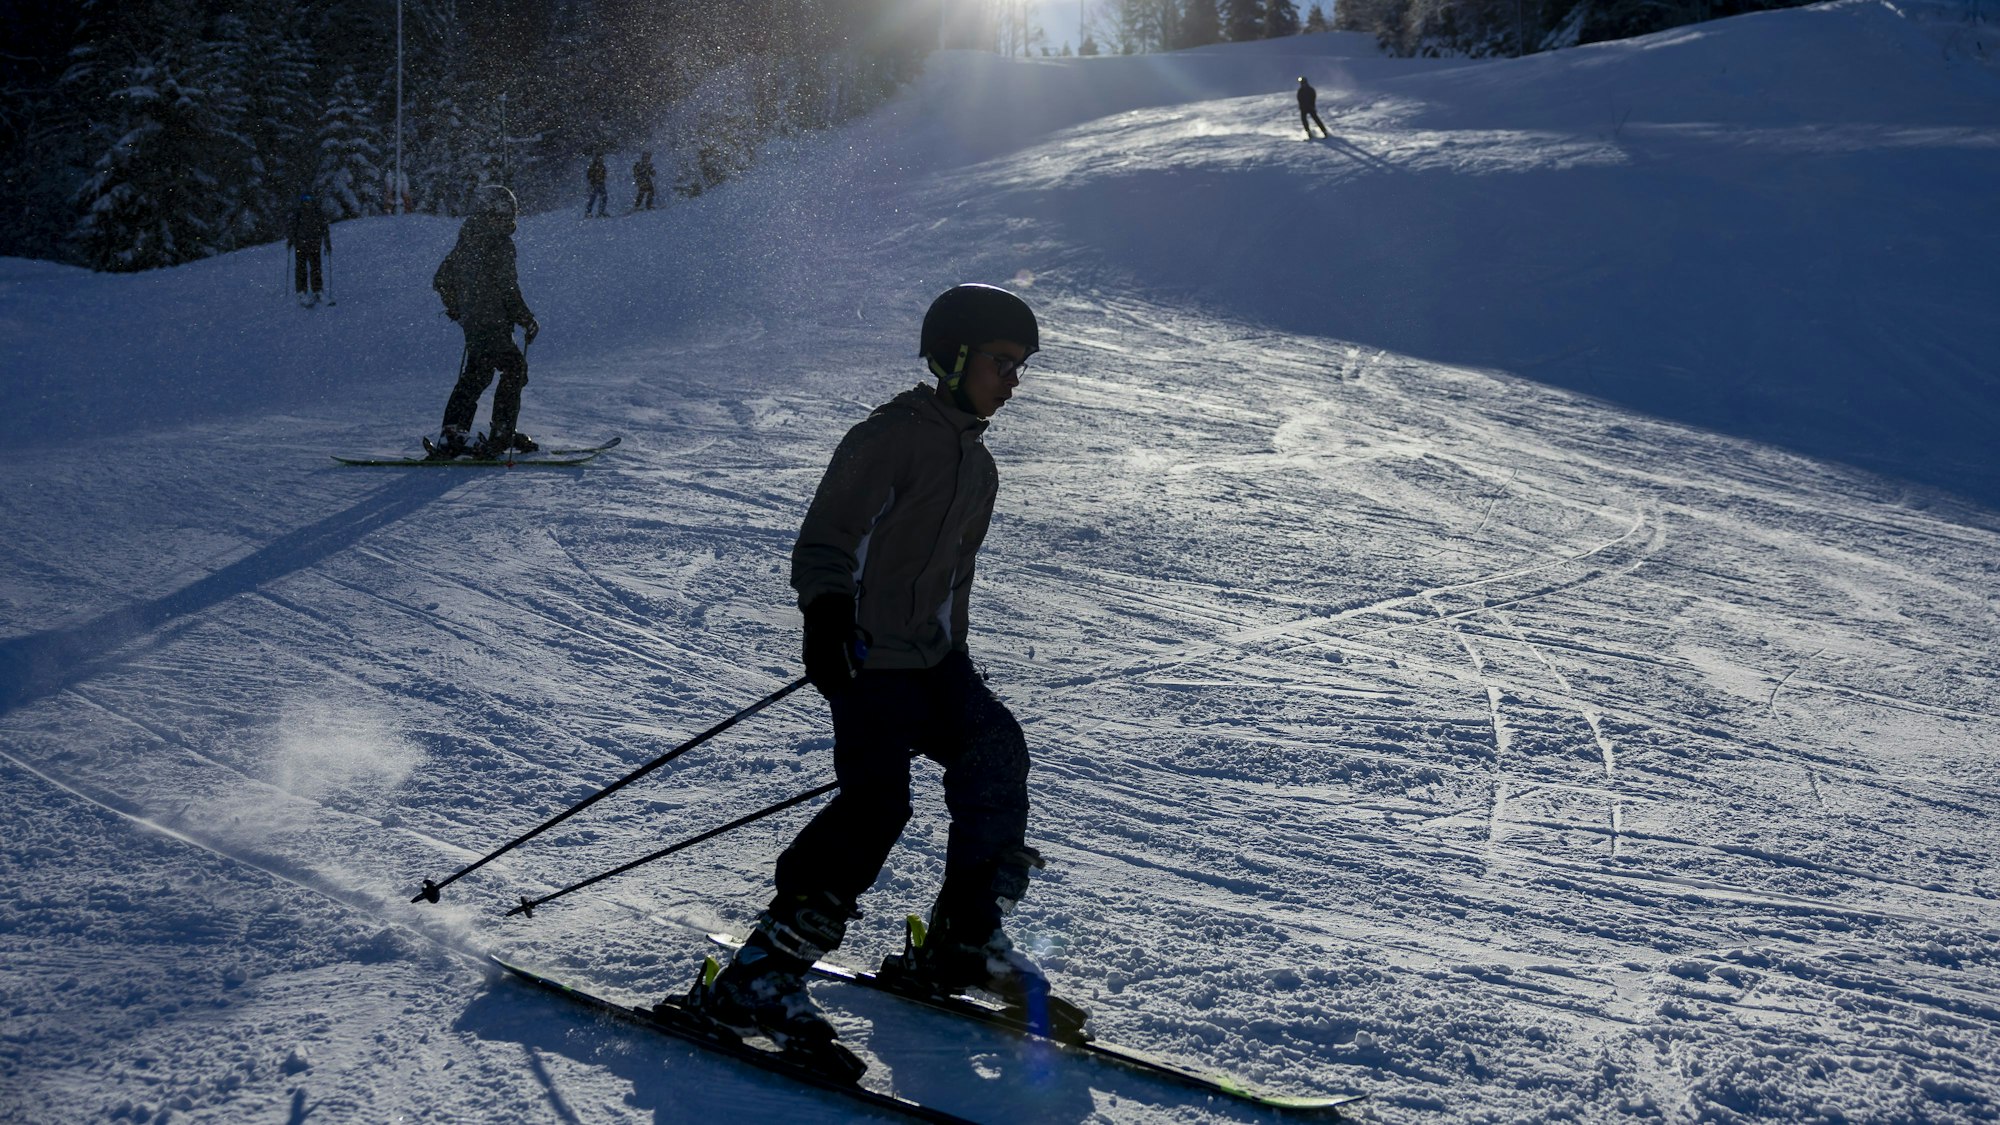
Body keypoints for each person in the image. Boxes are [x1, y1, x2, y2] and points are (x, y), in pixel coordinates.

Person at [688, 284, 1062, 1050]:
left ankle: (961, 936)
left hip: (931, 660)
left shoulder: (980, 467)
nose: (1012, 382)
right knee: (877, 804)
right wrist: (827, 616)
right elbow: (829, 538)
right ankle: (760, 973)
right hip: (865, 661)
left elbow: (954, 580)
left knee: (995, 749)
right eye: (1001, 362)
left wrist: (954, 659)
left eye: (1020, 367)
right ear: (953, 358)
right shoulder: (889, 436)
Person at [429, 185, 540, 458]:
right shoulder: (498, 244)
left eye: (509, 215)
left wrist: (459, 308)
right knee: (514, 368)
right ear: (489, 213)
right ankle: (500, 432)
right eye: (501, 215)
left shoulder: (467, 239)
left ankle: (454, 433)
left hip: (476, 322)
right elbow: (507, 288)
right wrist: (526, 319)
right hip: (491, 321)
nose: (506, 221)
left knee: (478, 374)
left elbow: (442, 279)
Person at [287, 192, 331, 305]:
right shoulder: (298, 213)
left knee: (316, 268)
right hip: (300, 245)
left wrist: (327, 244)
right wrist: (290, 241)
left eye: (309, 198)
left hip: (314, 245)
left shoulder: (318, 212)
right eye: (305, 198)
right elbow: (293, 227)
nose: (307, 201)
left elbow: (324, 229)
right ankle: (301, 291)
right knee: (301, 269)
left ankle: (317, 290)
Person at [1297, 76, 1330, 140]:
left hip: (1310, 107)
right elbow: (1299, 99)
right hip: (1304, 108)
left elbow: (1313, 97)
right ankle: (1308, 133)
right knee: (1304, 120)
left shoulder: (1310, 89)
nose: (1302, 84)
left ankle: (1324, 131)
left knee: (1316, 119)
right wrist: (1301, 106)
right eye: (1301, 83)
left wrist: (1312, 105)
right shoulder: (1301, 90)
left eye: (1303, 83)